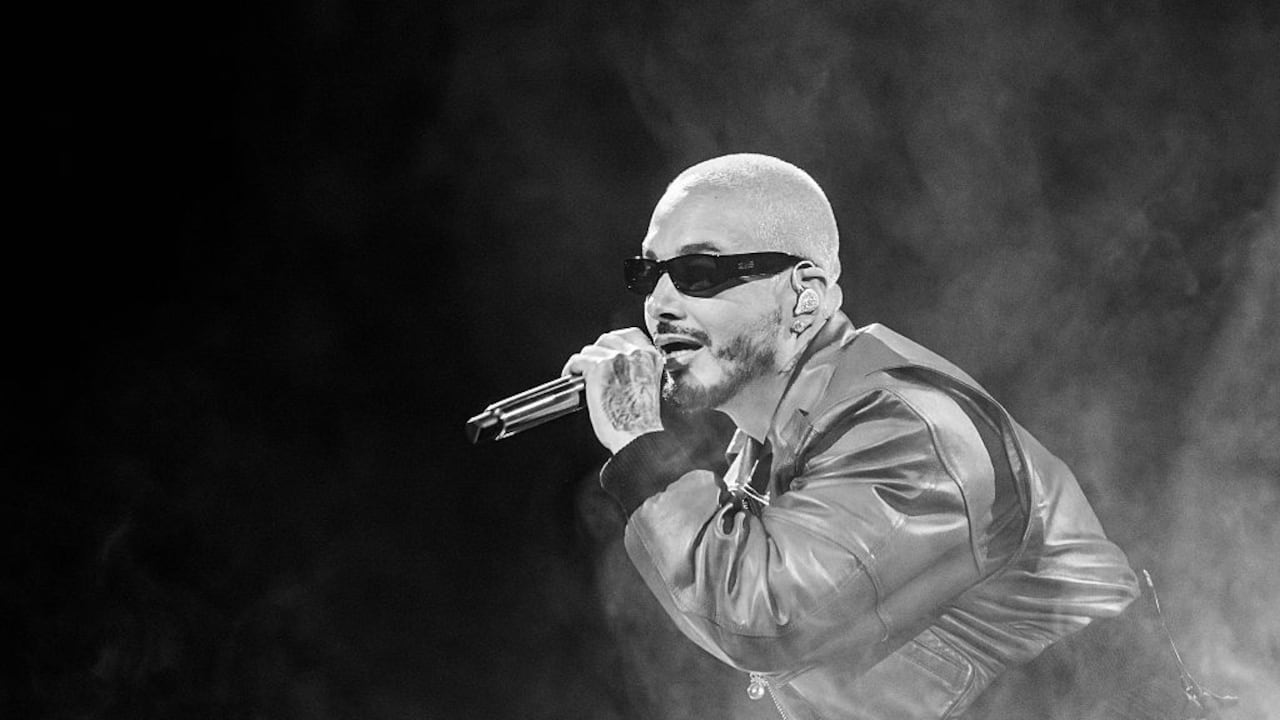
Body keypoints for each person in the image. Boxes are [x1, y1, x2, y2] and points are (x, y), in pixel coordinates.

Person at [563, 153, 1139, 719]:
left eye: (698, 273)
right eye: (648, 276)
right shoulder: (766, 452)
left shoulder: (908, 429)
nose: (659, 305)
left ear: (804, 294)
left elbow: (767, 620)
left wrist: (640, 443)